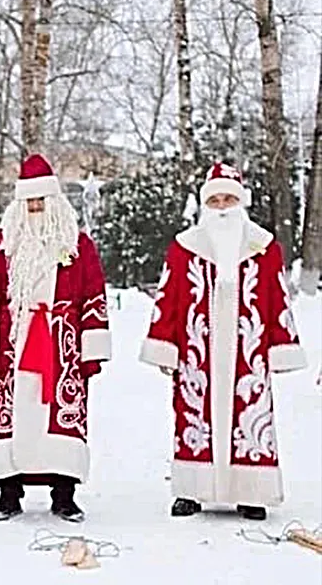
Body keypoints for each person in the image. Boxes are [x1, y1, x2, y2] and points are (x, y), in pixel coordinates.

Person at [140, 162, 307, 521]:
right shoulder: (185, 247)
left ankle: (251, 491)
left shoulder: (264, 248)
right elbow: (168, 297)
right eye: (214, 200)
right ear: (204, 205)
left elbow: (276, 297)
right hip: (197, 351)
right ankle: (191, 490)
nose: (221, 207)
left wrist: (281, 344)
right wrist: (163, 344)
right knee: (192, 418)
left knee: (250, 417)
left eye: (228, 199)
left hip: (249, 351)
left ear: (241, 203)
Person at [0, 154, 110, 523]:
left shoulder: (78, 246)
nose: (34, 208)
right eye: (28, 202)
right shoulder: (3, 246)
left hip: (62, 349)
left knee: (63, 419)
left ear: (54, 203)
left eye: (41, 201)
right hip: (13, 344)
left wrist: (91, 349)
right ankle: (8, 493)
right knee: (9, 420)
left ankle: (64, 494)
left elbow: (94, 296)